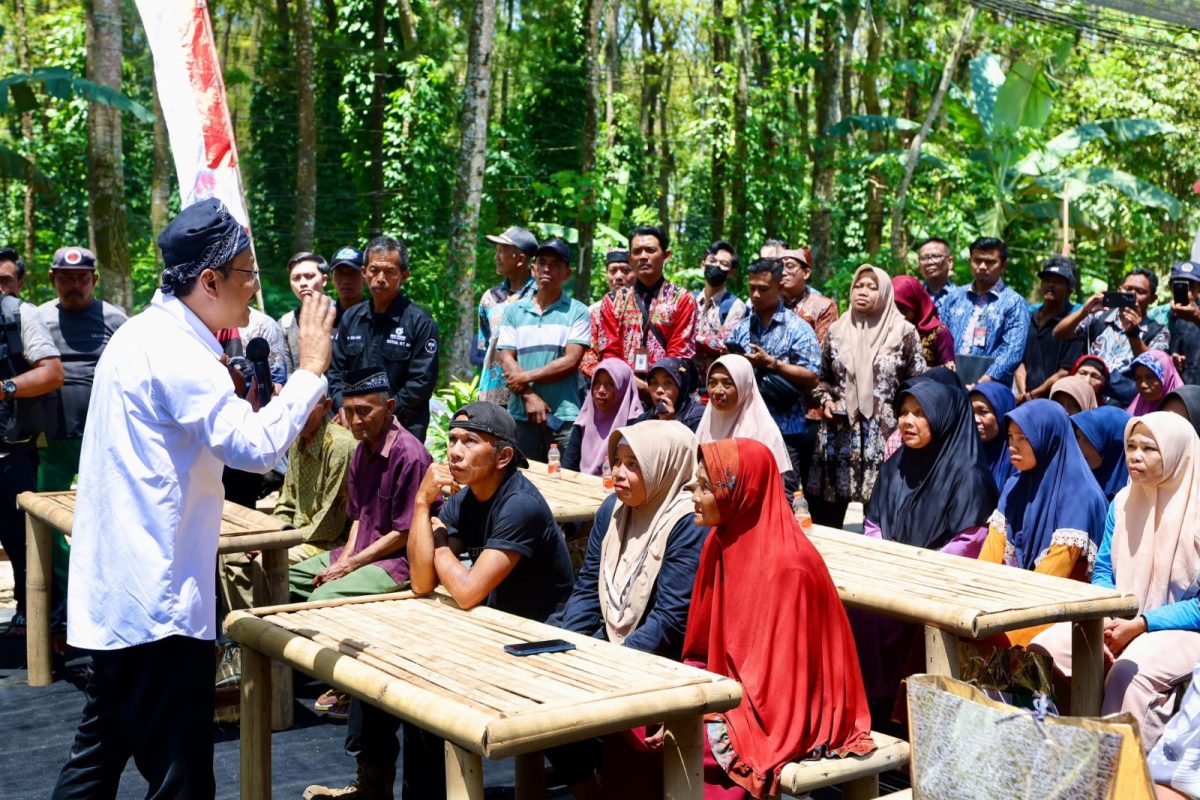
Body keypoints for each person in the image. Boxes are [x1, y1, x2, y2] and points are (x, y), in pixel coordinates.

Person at [52, 199, 334, 798]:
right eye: (246, 275)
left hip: (122, 594)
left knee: (97, 760)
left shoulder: (140, 335)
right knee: (180, 779)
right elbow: (256, 447)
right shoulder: (180, 353)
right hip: (158, 606)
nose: (253, 290)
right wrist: (309, 369)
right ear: (210, 281)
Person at [304, 402, 573, 799]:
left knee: (426, 697)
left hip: (538, 645)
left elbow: (465, 592)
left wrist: (441, 539)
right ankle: (372, 785)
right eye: (451, 440)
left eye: (469, 441)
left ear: (502, 456)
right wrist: (421, 503)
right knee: (378, 663)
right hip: (491, 628)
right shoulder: (468, 498)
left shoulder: (520, 505)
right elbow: (421, 579)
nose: (454, 451)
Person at [685, 438, 876, 798]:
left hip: (783, 709)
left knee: (692, 740)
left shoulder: (789, 567)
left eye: (706, 487)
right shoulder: (720, 542)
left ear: (743, 493)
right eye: (694, 485)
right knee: (643, 723)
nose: (694, 495)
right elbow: (701, 645)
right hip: (737, 690)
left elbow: (788, 691)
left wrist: (721, 712)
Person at [545, 421, 708, 797]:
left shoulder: (686, 521)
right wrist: (570, 650)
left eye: (633, 464)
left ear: (663, 466)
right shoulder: (613, 508)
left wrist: (606, 669)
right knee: (545, 695)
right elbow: (588, 588)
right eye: (616, 461)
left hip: (665, 656)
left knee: (582, 709)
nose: (618, 472)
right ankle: (590, 789)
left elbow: (669, 619)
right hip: (615, 640)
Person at [1031, 413, 1200, 752]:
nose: (1135, 456)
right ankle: (1056, 755)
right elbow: (1105, 570)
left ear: (1178, 453)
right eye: (1130, 446)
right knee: (1043, 649)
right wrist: (1108, 616)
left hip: (1181, 629)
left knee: (1129, 676)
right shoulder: (1122, 502)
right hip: (1119, 617)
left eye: (1149, 449)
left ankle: (1119, 777)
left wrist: (1141, 624)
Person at [858, 379, 997, 710]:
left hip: (941, 584)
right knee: (855, 613)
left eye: (920, 413)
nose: (907, 421)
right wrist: (888, 562)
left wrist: (912, 571)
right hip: (891, 576)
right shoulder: (896, 465)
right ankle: (865, 709)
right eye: (904, 412)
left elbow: (968, 541)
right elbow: (873, 522)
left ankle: (896, 713)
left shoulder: (969, 474)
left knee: (894, 623)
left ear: (943, 417)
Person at [36, 246, 127, 627]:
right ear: (53, 280)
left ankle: (111, 597)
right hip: (53, 441)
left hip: (104, 443)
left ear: (94, 279)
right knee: (49, 523)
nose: (74, 284)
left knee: (111, 520)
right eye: (66, 278)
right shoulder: (37, 318)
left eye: (82, 278)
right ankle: (67, 599)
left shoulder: (115, 319)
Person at [978, 399, 1108, 647]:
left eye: (1023, 438)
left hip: (1061, 608)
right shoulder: (1015, 485)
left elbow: (1053, 576)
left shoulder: (1081, 495)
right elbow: (989, 558)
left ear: (1049, 438)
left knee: (996, 641)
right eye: (1010, 437)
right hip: (1016, 599)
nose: (1012, 446)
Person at [221, 391, 357, 619]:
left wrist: (275, 543)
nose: (300, 414)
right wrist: (269, 536)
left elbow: (328, 526)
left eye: (308, 407)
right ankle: (242, 635)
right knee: (230, 556)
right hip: (295, 536)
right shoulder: (297, 439)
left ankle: (270, 631)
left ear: (326, 406)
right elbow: (286, 502)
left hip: (326, 542)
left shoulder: (340, 447)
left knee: (262, 562)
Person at [810, 265, 925, 528]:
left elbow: (919, 384)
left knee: (881, 512)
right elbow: (821, 379)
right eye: (858, 286)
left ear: (885, 292)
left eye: (872, 287)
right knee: (827, 516)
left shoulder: (904, 333)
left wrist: (903, 417)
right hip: (839, 431)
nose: (863, 292)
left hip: (884, 433)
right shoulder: (837, 331)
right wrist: (826, 400)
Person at [0, 246, 64, 638]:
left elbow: (53, 373)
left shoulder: (22, 314)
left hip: (10, 452)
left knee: (24, 548)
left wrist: (4, 388)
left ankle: (37, 629)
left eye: (5, 280)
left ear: (19, 283)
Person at [328, 236, 439, 442]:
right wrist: (343, 406)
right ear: (364, 273)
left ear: (403, 276)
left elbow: (422, 381)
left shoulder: (420, 322)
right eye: (374, 270)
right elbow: (335, 372)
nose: (380, 278)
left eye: (389, 271)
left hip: (403, 429)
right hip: (354, 428)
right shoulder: (351, 318)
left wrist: (383, 413)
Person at [727, 256, 820, 491]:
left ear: (779, 287)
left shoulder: (798, 328)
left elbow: (812, 377)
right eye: (752, 288)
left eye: (763, 289)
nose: (756, 295)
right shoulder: (741, 327)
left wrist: (774, 364)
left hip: (785, 432)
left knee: (781, 496)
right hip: (744, 428)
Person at [495, 238, 591, 461]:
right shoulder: (514, 311)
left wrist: (524, 377)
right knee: (522, 480)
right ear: (533, 269)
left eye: (556, 264)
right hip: (520, 413)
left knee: (565, 481)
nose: (547, 269)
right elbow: (506, 357)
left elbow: (571, 360)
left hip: (563, 415)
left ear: (567, 273)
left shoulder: (577, 311)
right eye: (542, 262)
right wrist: (529, 396)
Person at [588, 226, 697, 392]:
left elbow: (679, 354)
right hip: (622, 393)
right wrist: (631, 383)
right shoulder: (612, 301)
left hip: (667, 396)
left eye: (650, 250)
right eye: (637, 252)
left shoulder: (682, 299)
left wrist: (654, 390)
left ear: (666, 256)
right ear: (630, 258)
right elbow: (609, 352)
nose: (643, 257)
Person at [1053, 267, 1167, 406]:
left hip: (1127, 407)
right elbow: (1059, 334)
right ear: (1119, 290)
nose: (1132, 294)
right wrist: (1084, 311)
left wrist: (1133, 334)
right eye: (1128, 289)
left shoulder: (1158, 331)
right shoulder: (1100, 317)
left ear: (1152, 299)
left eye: (1140, 292)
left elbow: (1153, 368)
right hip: (1087, 401)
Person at [940, 236, 1030, 386]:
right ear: (970, 262)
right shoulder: (954, 297)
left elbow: (1013, 350)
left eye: (990, 262)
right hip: (950, 383)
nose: (982, 266)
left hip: (991, 389)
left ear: (1003, 265)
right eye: (977, 260)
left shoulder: (1014, 302)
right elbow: (941, 338)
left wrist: (984, 382)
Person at [697, 355, 792, 479]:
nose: (718, 391)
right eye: (712, 383)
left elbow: (770, 488)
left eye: (727, 384)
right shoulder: (706, 424)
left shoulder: (764, 433)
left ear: (744, 385)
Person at [476, 225, 537, 406]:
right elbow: (486, 345)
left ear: (520, 259)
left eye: (502, 251)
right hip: (491, 394)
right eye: (497, 251)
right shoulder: (489, 298)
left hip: (529, 395)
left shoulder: (540, 297)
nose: (497, 257)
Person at [1016, 257, 1085, 403]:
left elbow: (1065, 371)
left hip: (1054, 401)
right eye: (1047, 280)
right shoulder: (1028, 317)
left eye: (1058, 282)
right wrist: (1023, 393)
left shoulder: (1073, 326)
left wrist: (1036, 393)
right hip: (1023, 399)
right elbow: (1019, 361)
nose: (1050, 286)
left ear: (1070, 289)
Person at [562, 357, 643, 475]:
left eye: (610, 384)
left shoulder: (636, 425)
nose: (601, 390)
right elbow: (568, 465)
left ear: (623, 388)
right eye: (597, 383)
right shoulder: (585, 418)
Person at [692, 240, 746, 381]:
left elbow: (722, 343)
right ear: (703, 264)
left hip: (715, 383)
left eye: (724, 264)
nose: (716, 266)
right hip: (685, 382)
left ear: (732, 273)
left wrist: (691, 339)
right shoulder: (689, 299)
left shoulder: (735, 306)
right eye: (712, 260)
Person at [772, 243, 837, 343]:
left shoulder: (824, 306)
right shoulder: (769, 302)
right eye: (780, 267)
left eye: (790, 266)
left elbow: (822, 350)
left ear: (806, 273)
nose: (783, 272)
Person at [279, 251, 329, 375]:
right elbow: (288, 374)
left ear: (324, 280)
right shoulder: (285, 324)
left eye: (309, 276)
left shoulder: (346, 316)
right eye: (296, 278)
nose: (302, 283)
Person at [891, 274, 955, 368]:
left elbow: (948, 374)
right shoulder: (888, 330)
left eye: (903, 309)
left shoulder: (939, 333)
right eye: (892, 309)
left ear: (916, 305)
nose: (898, 315)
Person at [1071, 406, 1132, 502]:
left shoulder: (1136, 496)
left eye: (1087, 440)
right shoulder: (1076, 482)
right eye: (1077, 437)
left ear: (1113, 442)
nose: (1079, 447)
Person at [633, 357, 705, 431]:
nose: (659, 390)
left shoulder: (697, 418)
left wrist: (668, 423)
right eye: (654, 383)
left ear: (681, 386)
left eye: (668, 383)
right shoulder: (645, 420)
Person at [970, 382, 1017, 492]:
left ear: (1002, 412)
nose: (975, 420)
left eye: (983, 412)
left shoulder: (1018, 458)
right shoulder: (965, 452)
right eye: (971, 412)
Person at [1167, 260, 1200, 386]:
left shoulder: (1195, 315)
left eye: (1190, 285)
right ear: (1170, 287)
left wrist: (1196, 317)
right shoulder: (1157, 315)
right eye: (1178, 285)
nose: (1186, 291)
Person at [1128, 349, 1183, 416]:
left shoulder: (1181, 408)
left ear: (1165, 377)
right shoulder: (1138, 405)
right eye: (1138, 378)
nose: (1143, 385)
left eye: (1150, 378)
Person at [329, 245, 366, 326]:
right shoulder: (324, 319)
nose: (346, 281)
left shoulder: (375, 318)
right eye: (340, 273)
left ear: (365, 276)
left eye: (353, 273)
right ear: (332, 277)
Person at [916, 236, 956, 312]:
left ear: (950, 262)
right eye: (924, 258)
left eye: (935, 256)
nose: (930, 262)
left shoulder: (962, 297)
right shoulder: (914, 297)